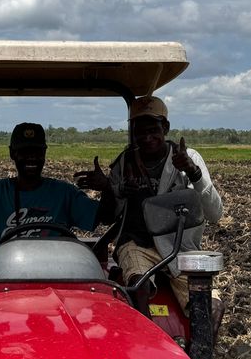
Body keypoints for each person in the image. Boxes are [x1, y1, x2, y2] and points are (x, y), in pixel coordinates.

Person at [75, 95, 222, 312]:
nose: (147, 137)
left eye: (153, 129)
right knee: (137, 284)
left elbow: (215, 214)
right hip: (138, 244)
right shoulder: (124, 164)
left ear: (166, 128)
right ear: (133, 132)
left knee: (209, 308)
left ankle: (200, 346)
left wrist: (193, 173)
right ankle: (146, 337)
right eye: (140, 131)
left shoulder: (188, 158)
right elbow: (108, 216)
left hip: (181, 248)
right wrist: (109, 187)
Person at [0, 122, 105, 252]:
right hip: (8, 274)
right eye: (25, 152)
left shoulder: (64, 193)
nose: (31, 157)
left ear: (44, 153)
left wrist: (107, 188)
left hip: (55, 272)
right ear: (12, 153)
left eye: (37, 152)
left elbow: (104, 216)